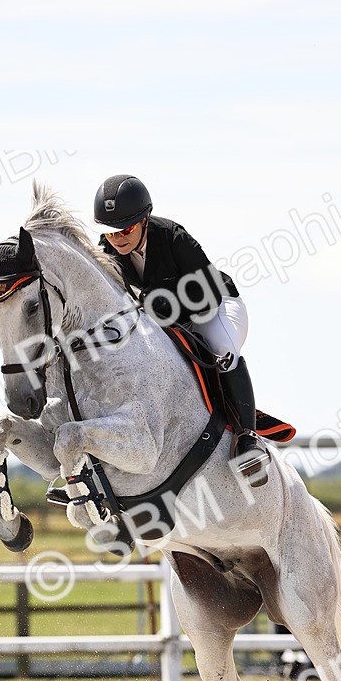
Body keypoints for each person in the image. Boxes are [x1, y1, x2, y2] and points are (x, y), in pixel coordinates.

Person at [92, 173, 271, 484]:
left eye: (127, 229)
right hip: (165, 322)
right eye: (110, 233)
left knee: (221, 349)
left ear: (144, 220)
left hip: (215, 307)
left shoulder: (173, 237)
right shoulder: (107, 251)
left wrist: (159, 302)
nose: (117, 238)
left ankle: (248, 439)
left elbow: (209, 294)